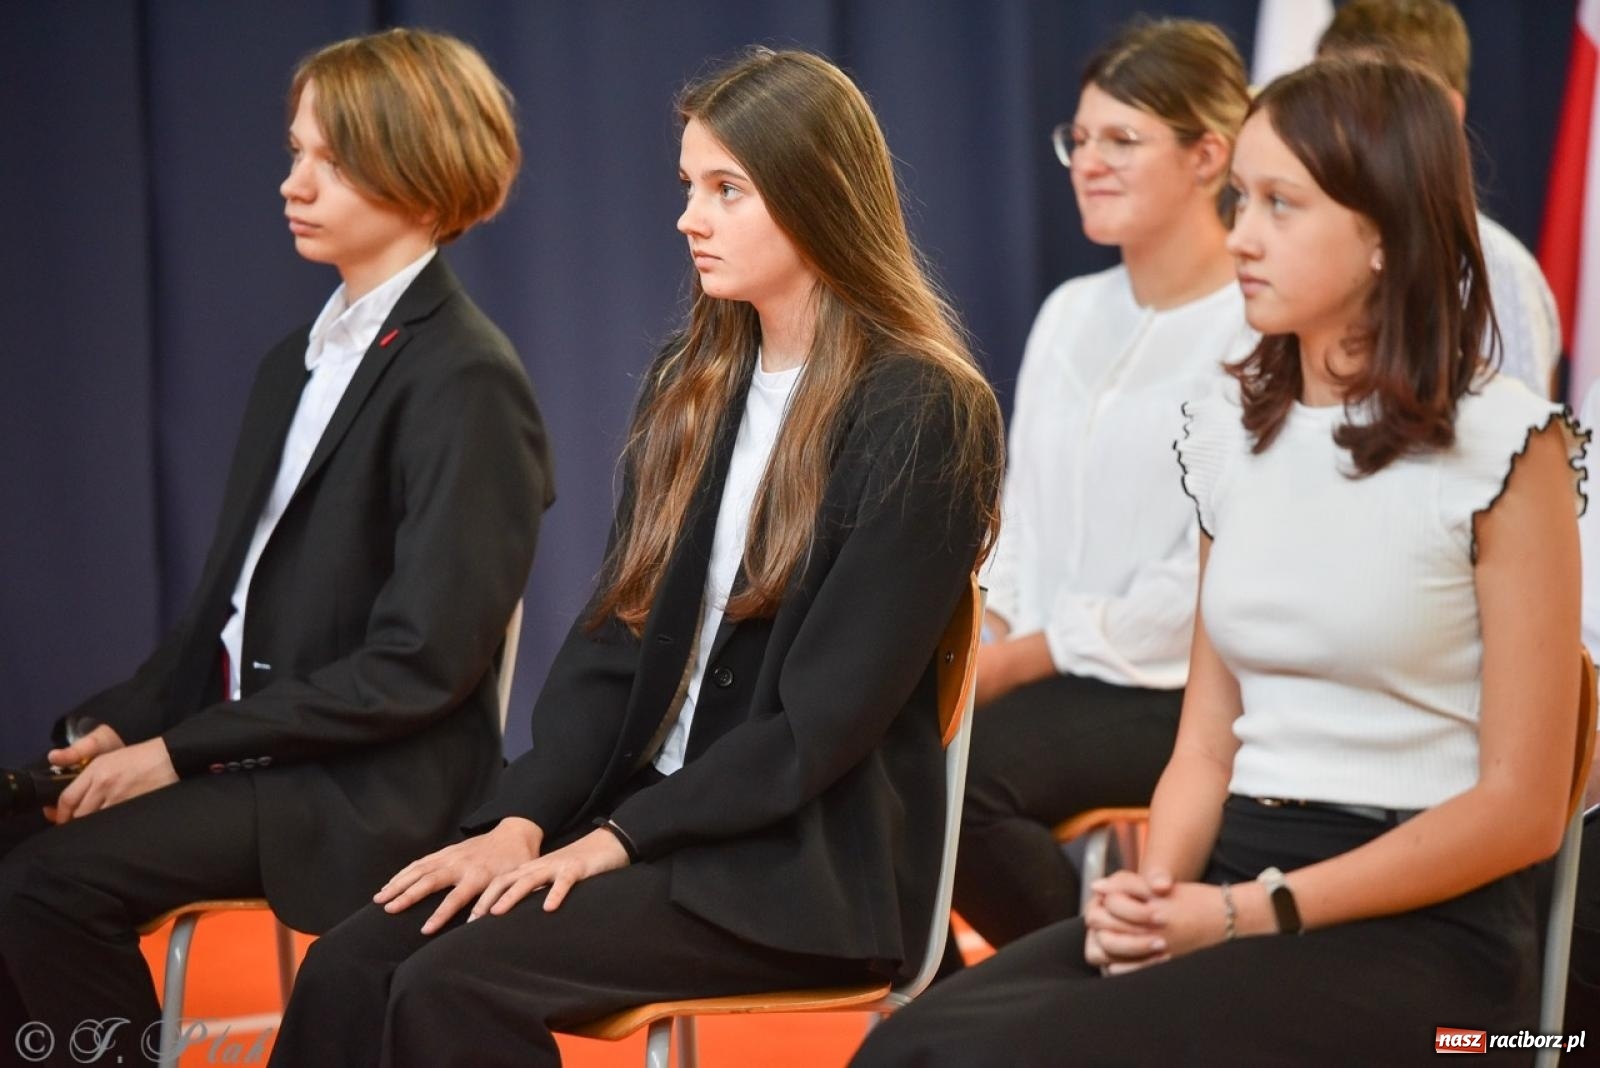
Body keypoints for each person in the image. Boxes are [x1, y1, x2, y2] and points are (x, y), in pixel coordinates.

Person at [265, 47, 1003, 1068]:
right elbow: (612, 647)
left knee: (451, 983)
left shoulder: (925, 409)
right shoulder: (694, 377)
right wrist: (522, 820)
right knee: (352, 964)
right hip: (648, 822)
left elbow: (821, 725)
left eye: (726, 190)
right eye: (688, 186)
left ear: (818, 196)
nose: (689, 218)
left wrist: (618, 839)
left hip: (791, 868)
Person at [856, 55, 1584, 1067]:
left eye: (1281, 204)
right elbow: (1204, 745)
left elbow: (1521, 813)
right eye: (1241, 198)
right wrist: (1156, 892)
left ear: (1385, 232)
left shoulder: (1509, 446)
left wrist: (1249, 912)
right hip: (1233, 878)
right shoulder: (1231, 432)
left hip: (1424, 935)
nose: (1240, 235)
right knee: (907, 1048)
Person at [0, 28, 552, 1065]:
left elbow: (420, 664)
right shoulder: (292, 363)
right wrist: (120, 728)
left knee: (41, 886)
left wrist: (179, 752)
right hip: (259, 755)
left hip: (363, 790)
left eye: (330, 161)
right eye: (297, 152)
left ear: (420, 175)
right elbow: (219, 612)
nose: (294, 184)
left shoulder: (468, 379)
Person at [950, 18, 1255, 959]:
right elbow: (1019, 517)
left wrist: (1022, 659)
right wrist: (983, 641)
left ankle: (1101, 979)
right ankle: (966, 996)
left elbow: (1208, 580)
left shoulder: (1254, 328)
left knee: (958, 786)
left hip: (1178, 686)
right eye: (1078, 139)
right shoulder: (1070, 311)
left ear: (1209, 155)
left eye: (1122, 139)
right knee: (877, 749)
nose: (1089, 161)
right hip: (1042, 664)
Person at [1317, 0, 1561, 399]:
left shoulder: (1497, 269)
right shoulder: (1311, 236)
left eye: (1371, 106)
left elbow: (1521, 430)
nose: (1340, 130)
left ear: (1445, 111)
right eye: (1327, 104)